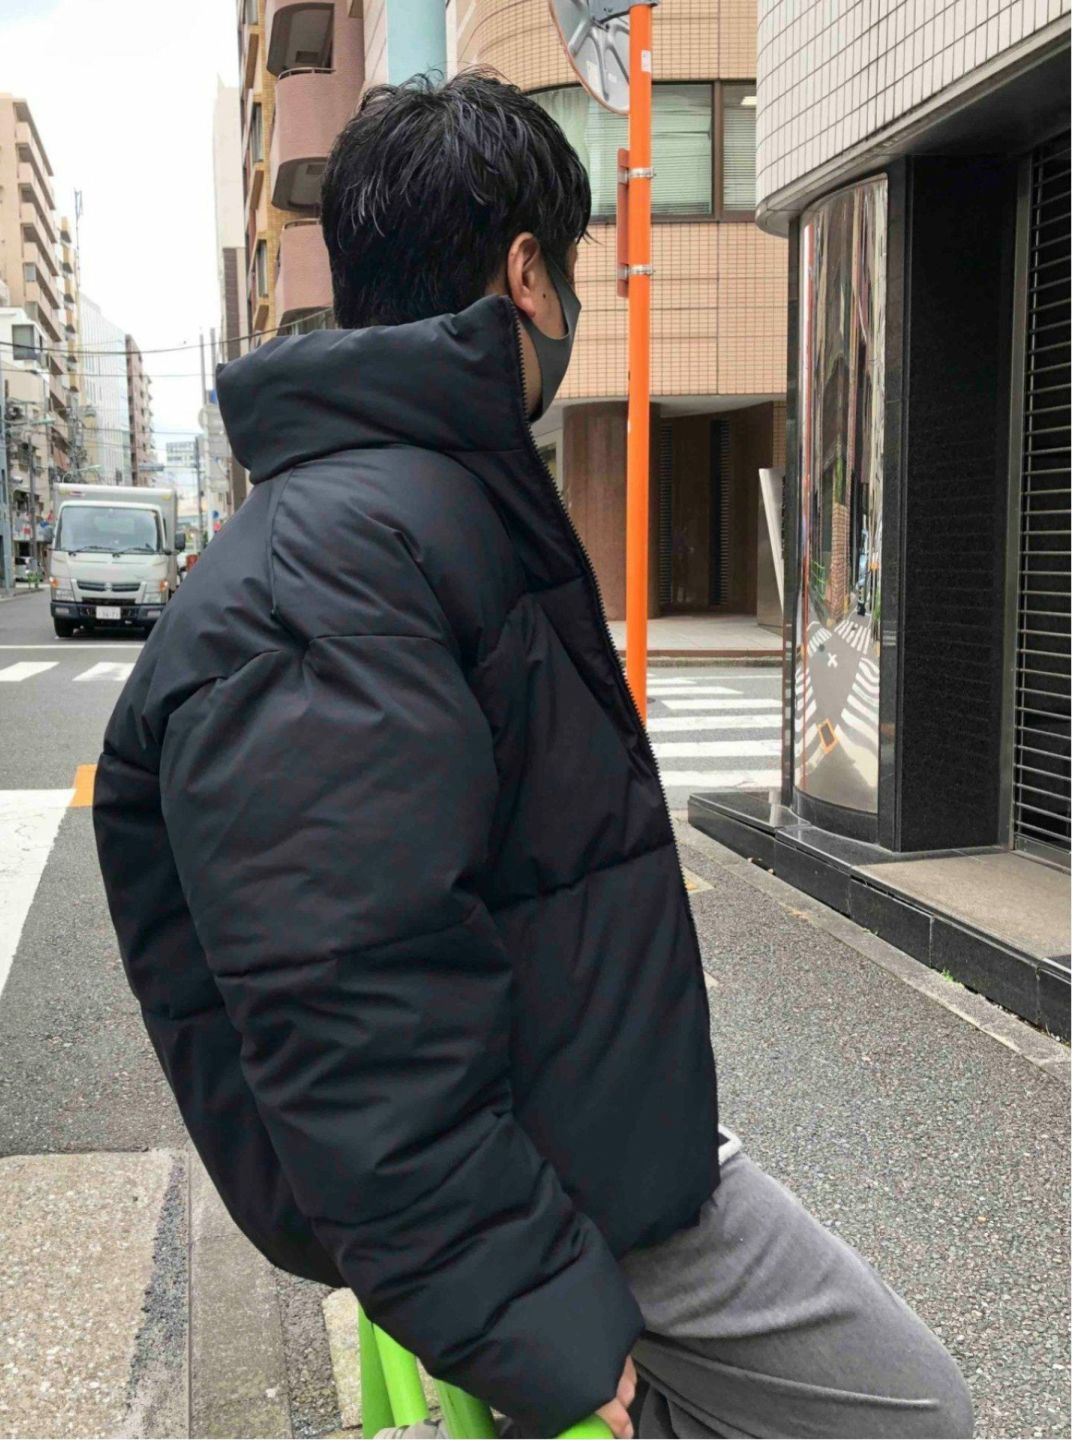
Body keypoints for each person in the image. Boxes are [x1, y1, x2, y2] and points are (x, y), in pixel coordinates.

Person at [93, 73, 973, 1440]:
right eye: (569, 277)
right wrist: (530, 1309)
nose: (571, 309)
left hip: (555, 1146)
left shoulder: (399, 512)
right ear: (524, 276)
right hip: (556, 1194)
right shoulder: (344, 559)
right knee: (915, 1415)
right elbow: (347, 1002)